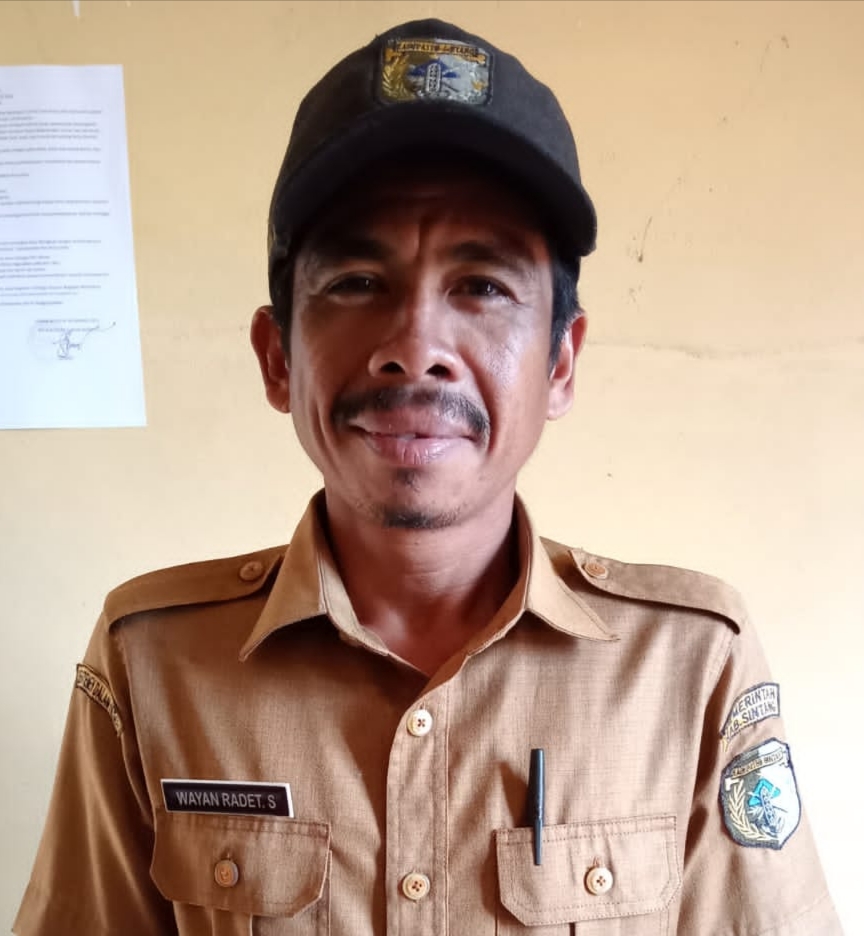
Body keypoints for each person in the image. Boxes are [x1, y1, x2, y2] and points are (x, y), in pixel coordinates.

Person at [14, 17, 842, 936]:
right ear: (277, 357)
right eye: (356, 282)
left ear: (561, 363)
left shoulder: (689, 666)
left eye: (482, 286)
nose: (415, 348)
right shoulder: (153, 663)